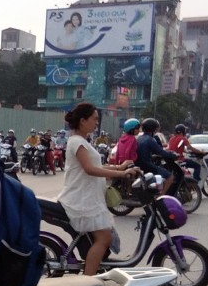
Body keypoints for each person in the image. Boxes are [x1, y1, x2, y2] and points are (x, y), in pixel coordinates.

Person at [56, 102, 140, 275]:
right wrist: (122, 174)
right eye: (94, 119)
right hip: (81, 200)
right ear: (82, 121)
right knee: (104, 238)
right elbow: (90, 169)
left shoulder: (82, 141)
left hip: (89, 198)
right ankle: (89, 282)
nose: (96, 123)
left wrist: (120, 167)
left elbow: (97, 165)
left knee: (101, 237)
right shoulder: (77, 142)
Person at [135, 118, 178, 192]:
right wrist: (173, 155)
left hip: (141, 164)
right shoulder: (150, 139)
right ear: (153, 129)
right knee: (170, 177)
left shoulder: (140, 138)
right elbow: (161, 151)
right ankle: (161, 197)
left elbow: (145, 152)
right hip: (148, 165)